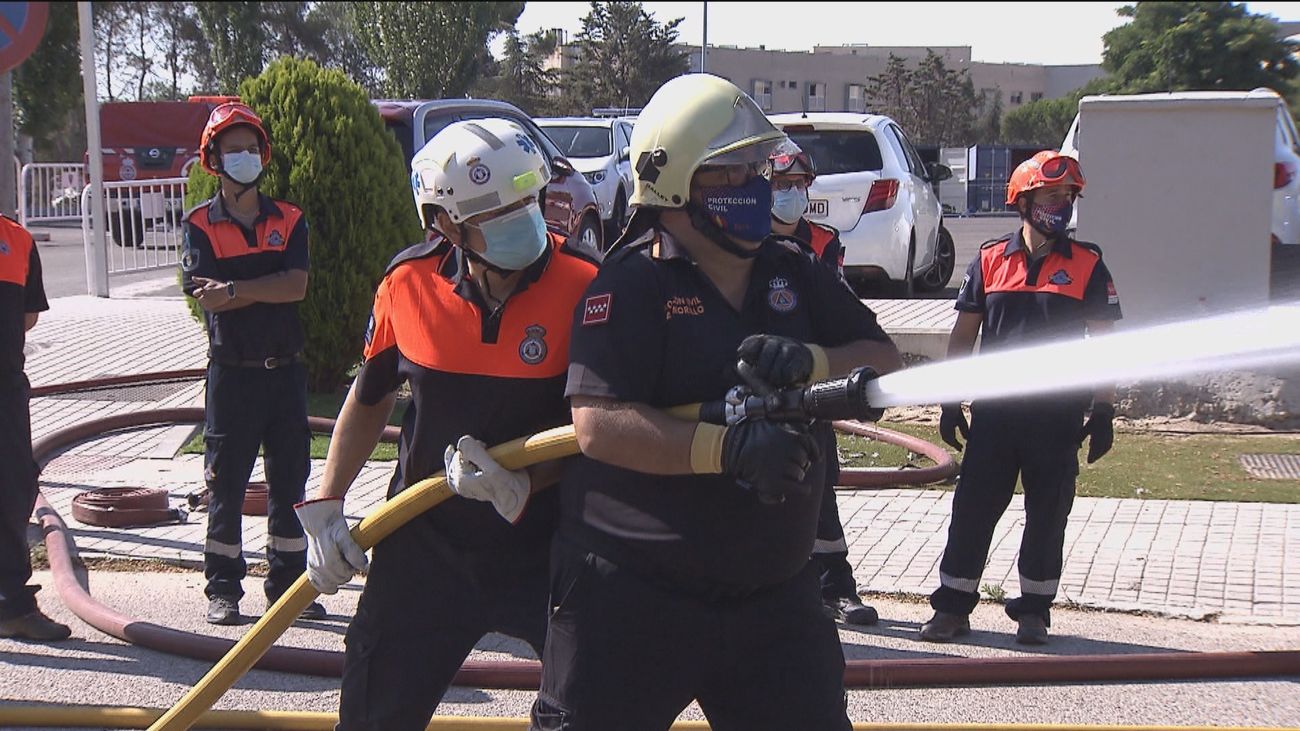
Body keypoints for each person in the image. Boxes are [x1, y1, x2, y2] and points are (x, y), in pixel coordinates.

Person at [529, 74, 902, 731]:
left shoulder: (792, 270)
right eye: (733, 172)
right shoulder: (630, 284)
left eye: (758, 167)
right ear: (672, 185)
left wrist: (813, 362)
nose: (757, 185)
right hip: (634, 592)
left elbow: (881, 353)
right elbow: (597, 424)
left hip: (774, 596)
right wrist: (726, 449)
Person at [294, 117, 599, 731]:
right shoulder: (407, 283)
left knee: (595, 704)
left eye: (527, 198)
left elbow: (603, 428)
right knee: (374, 706)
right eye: (497, 211)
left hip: (547, 543)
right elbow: (371, 394)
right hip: (427, 541)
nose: (523, 218)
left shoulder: (586, 284)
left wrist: (522, 484)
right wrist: (327, 503)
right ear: (444, 223)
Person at [920, 150, 1122, 645]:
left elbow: (1108, 343)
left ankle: (1034, 610)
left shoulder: (1088, 265)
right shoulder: (990, 259)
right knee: (972, 511)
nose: (1063, 205)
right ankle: (952, 607)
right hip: (995, 416)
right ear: (1025, 200)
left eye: (1069, 197)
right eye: (1053, 195)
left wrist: (1104, 408)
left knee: (1048, 513)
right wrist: (950, 399)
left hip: (1057, 417)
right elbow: (963, 335)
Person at [180, 101, 322, 625]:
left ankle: (288, 589)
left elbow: (297, 286)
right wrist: (264, 289)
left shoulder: (290, 220)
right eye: (231, 149)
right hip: (231, 376)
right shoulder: (199, 225)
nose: (243, 157)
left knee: (291, 483)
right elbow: (208, 297)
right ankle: (223, 590)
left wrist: (238, 288)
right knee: (226, 485)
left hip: (284, 374)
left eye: (250, 148)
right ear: (213, 158)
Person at [768, 139, 877, 626]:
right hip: (754, 379)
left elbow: (840, 312)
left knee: (818, 486)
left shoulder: (822, 243)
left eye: (797, 185)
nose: (789, 194)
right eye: (780, 184)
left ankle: (835, 586)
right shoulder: (743, 240)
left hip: (810, 383)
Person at [0, 214, 69, 642]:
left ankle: (11, 605)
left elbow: (27, 316)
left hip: (5, 389)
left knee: (11, 491)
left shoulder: (17, 239)